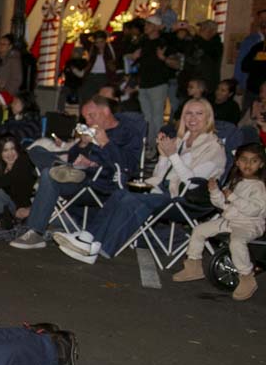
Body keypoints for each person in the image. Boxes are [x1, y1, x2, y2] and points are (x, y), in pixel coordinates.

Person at [54, 99, 226, 264]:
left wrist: (172, 155)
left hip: (186, 199)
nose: (192, 118)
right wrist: (164, 156)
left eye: (199, 113)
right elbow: (160, 175)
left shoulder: (213, 147)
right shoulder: (180, 141)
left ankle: (98, 247)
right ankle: (86, 238)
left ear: (208, 117)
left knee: (132, 200)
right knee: (121, 194)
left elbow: (193, 183)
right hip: (163, 191)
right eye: (188, 113)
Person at [10, 95, 143, 250]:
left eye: (91, 116)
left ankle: (35, 230)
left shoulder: (127, 132)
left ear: (106, 111)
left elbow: (129, 166)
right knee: (37, 153)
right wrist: (82, 146)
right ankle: (35, 233)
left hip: (101, 185)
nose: (88, 121)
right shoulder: (91, 132)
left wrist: (105, 144)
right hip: (79, 177)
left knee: (50, 173)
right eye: (85, 118)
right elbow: (73, 157)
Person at [174, 142, 266, 300]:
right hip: (230, 220)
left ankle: (246, 277)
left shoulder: (259, 187)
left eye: (254, 161)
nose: (248, 164)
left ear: (261, 164)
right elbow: (223, 204)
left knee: (237, 242)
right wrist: (215, 192)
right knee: (199, 230)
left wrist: (233, 197)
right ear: (237, 162)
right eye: (244, 160)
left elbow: (254, 210)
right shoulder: (236, 182)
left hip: (249, 224)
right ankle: (193, 265)